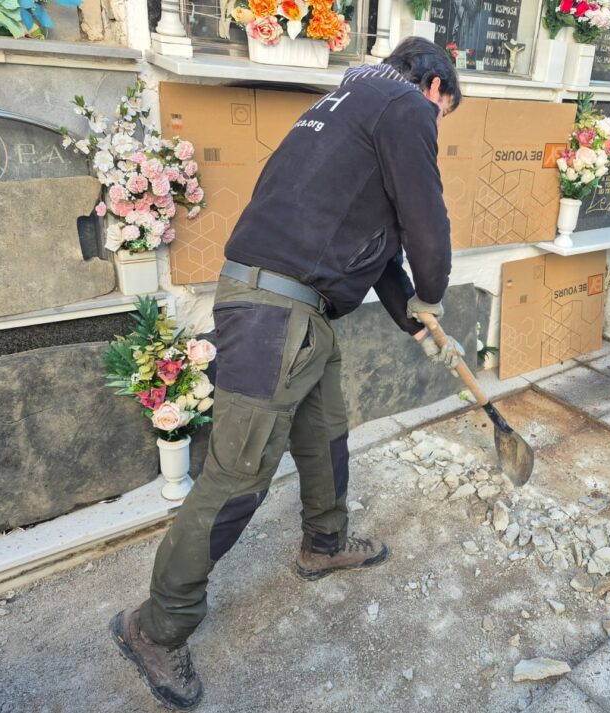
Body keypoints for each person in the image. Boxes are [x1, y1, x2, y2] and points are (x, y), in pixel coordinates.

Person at [110, 37, 465, 711]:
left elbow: (385, 253)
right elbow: (428, 225)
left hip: (302, 313)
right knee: (238, 478)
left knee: (326, 432)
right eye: (442, 116)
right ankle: (153, 626)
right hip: (276, 312)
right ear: (434, 88)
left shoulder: (345, 107)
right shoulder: (406, 105)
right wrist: (436, 290)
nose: (435, 131)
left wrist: (417, 323)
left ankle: (324, 542)